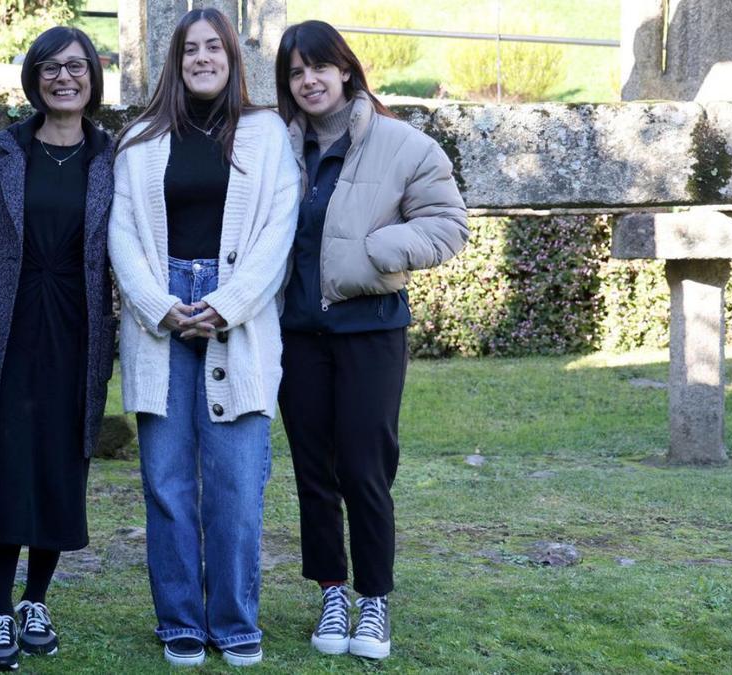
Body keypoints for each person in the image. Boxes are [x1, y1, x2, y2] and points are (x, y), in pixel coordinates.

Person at [108, 7, 301, 668]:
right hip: (158, 318)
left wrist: (225, 305)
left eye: (213, 47)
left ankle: (236, 622)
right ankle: (181, 622)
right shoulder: (138, 138)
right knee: (166, 482)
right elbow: (123, 235)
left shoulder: (266, 131)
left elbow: (278, 229)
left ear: (232, 56)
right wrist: (162, 307)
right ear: (175, 60)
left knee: (237, 483)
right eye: (190, 49)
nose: (202, 58)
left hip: (237, 319)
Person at [273, 20, 469, 661]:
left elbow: (447, 224)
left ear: (346, 69)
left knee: (364, 466)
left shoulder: (403, 145)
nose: (308, 81)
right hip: (298, 333)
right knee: (312, 470)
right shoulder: (278, 148)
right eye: (295, 72)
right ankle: (332, 590)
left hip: (370, 330)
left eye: (318, 67)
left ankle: (374, 600)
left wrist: (379, 251)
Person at [0, 26, 115, 672]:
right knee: (4, 461)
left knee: (59, 462)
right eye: (50, 67)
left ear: (92, 77)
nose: (63, 78)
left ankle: (36, 600)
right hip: (8, 318)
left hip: (78, 325)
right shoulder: (1, 150)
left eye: (76, 66)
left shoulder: (113, 155)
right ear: (33, 77)